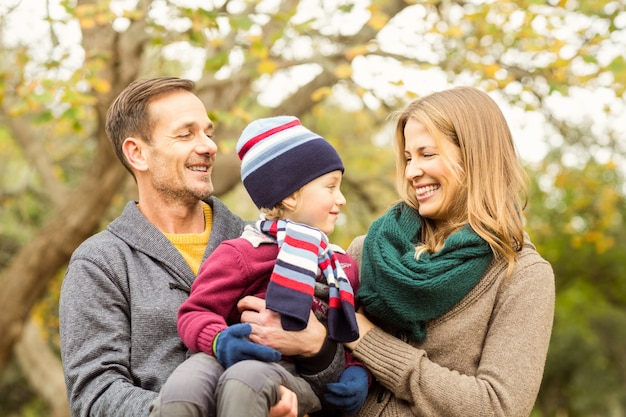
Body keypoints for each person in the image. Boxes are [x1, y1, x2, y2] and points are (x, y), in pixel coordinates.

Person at [58, 77, 336, 417]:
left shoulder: (273, 242)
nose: (209, 146)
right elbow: (94, 395)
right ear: (137, 153)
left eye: (208, 132)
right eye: (186, 133)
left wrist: (318, 349)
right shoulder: (100, 263)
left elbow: (336, 383)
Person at [343, 86, 555, 417]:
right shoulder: (367, 251)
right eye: (409, 157)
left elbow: (498, 407)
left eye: (427, 155)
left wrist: (366, 340)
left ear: (475, 156)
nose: (412, 172)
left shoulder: (521, 275)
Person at [152, 116, 369, 417]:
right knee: (183, 388)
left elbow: (351, 333)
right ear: (291, 195)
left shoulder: (338, 266)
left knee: (247, 381)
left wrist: (357, 374)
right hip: (225, 357)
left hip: (290, 373)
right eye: (330, 187)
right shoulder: (243, 253)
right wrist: (220, 340)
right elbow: (194, 313)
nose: (341, 199)